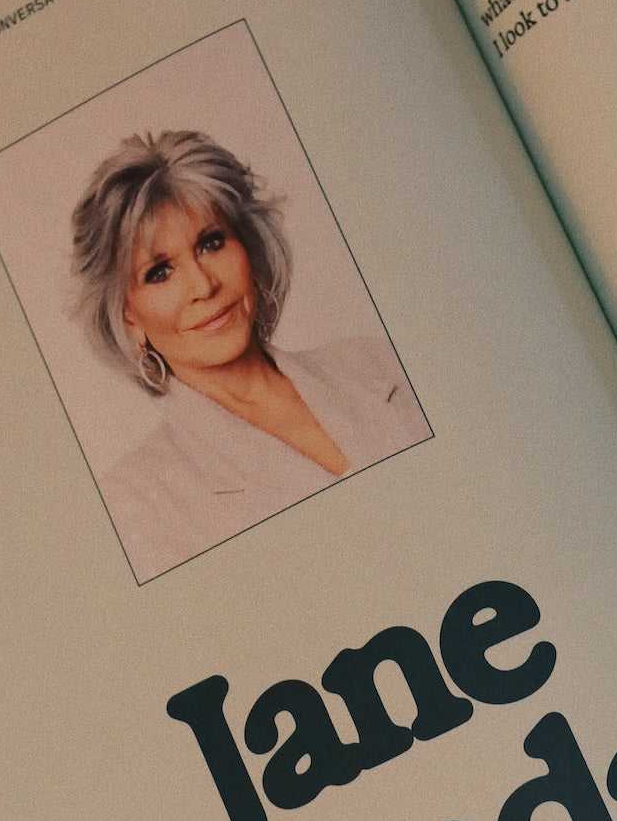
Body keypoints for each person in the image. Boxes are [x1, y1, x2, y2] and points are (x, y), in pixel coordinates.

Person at [71, 130, 429, 580]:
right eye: (159, 272)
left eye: (211, 243)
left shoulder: (377, 361)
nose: (204, 286)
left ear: (248, 245)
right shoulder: (138, 504)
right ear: (128, 317)